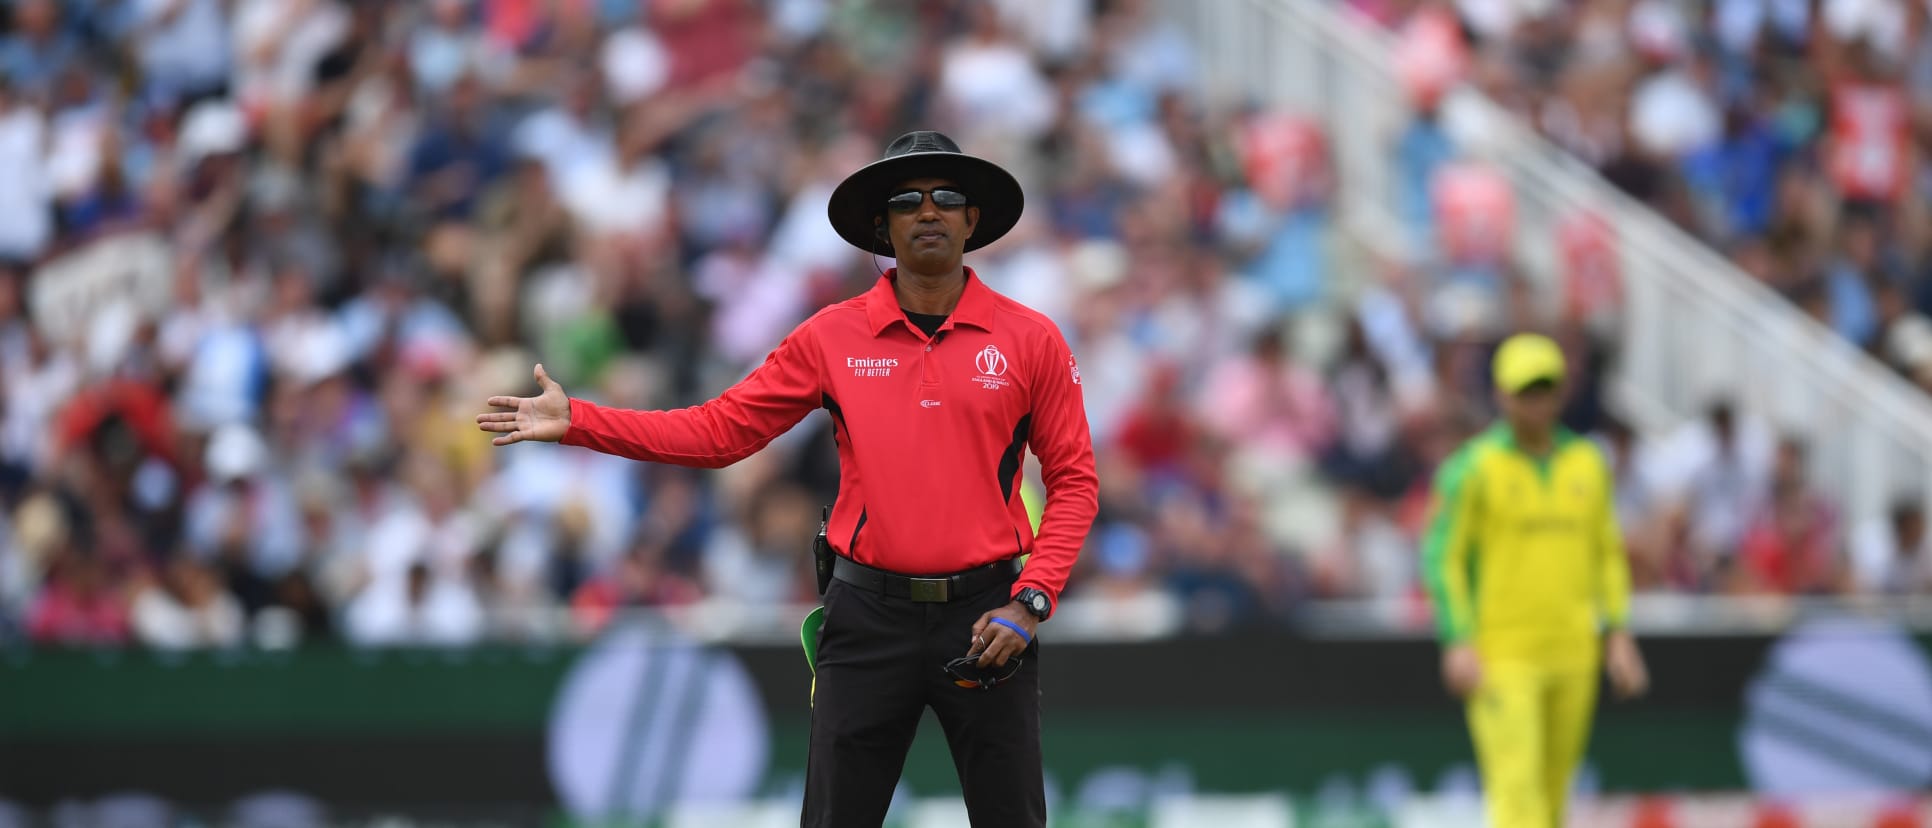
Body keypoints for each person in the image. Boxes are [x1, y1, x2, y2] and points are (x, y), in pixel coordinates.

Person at [476, 130, 1097, 827]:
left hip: (989, 617)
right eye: (908, 200)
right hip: (868, 619)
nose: (930, 212)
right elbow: (719, 434)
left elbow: (1074, 480)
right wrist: (582, 421)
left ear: (972, 219)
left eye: (948, 197)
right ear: (881, 227)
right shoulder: (831, 336)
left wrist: (1031, 603)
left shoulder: (1031, 339)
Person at [1421, 333, 1650, 828]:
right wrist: (1457, 638)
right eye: (1524, 390)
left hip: (1572, 651)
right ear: (1501, 394)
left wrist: (1618, 632)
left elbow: (1606, 554)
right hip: (1504, 653)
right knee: (1516, 791)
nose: (1535, 402)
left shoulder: (1587, 463)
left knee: (1551, 796)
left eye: (1545, 388)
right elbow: (1443, 557)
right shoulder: (1473, 470)